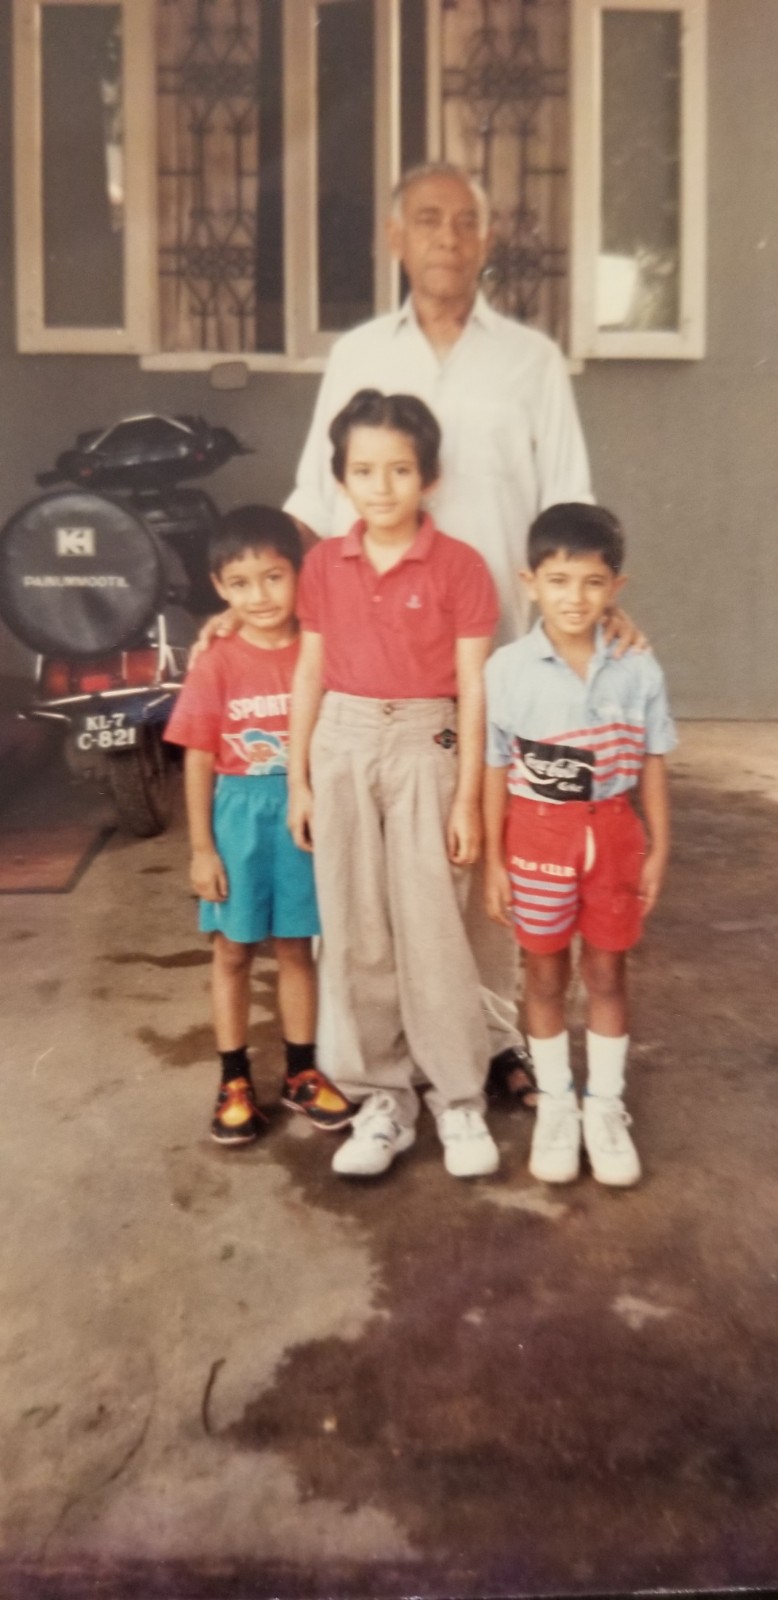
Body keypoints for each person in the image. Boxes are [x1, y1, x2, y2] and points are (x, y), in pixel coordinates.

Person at [283, 160, 596, 1104]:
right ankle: (384, 1063)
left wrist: (592, 615)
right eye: (428, 220)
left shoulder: (530, 362)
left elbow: (568, 502)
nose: (449, 239)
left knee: (489, 847)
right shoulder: (358, 357)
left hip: (501, 649)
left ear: (487, 240)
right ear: (396, 240)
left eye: (466, 222)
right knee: (380, 880)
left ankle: (495, 1041)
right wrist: (268, 611)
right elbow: (315, 500)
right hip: (383, 669)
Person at [287, 389, 500, 1181]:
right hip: (340, 744)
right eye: (364, 470)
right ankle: (383, 1100)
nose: (382, 487)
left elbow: (474, 690)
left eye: (400, 470)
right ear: (342, 479)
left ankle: (458, 1100)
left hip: (426, 745)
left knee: (432, 931)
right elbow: (308, 670)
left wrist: (467, 795)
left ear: (429, 477)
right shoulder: (320, 566)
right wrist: (299, 778)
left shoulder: (462, 567)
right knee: (356, 931)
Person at [483, 503, 676, 1188]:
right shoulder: (506, 670)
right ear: (529, 581)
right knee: (542, 974)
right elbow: (494, 765)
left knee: (607, 973)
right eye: (559, 580)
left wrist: (657, 846)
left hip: (614, 834)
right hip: (534, 836)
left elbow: (652, 759)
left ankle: (604, 1105)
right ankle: (558, 1104)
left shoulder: (637, 668)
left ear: (616, 588)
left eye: (593, 582)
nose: (575, 598)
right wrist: (495, 861)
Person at [164, 506, 356, 1146]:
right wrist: (200, 849)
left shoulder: (318, 650)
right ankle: (234, 1079)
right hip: (237, 820)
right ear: (219, 588)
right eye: (240, 584)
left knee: (299, 947)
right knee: (233, 951)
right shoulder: (216, 660)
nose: (260, 596)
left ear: (300, 575)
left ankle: (301, 1072)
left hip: (302, 817)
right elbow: (196, 756)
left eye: (274, 578)